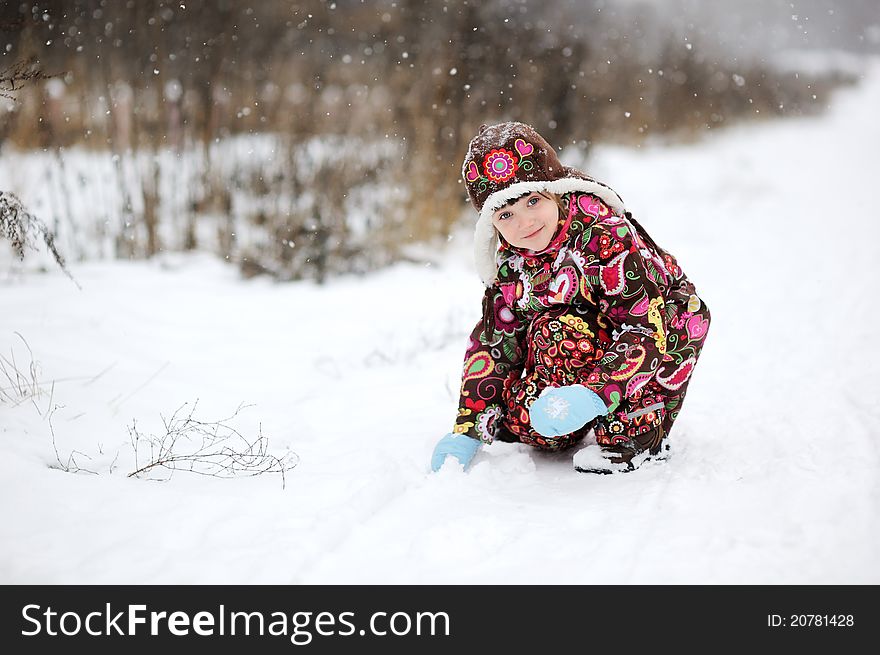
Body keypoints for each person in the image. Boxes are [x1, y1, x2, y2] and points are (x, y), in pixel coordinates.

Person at [430, 121, 711, 474]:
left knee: (669, 322)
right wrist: (470, 427)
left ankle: (636, 431)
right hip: (582, 334)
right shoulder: (512, 264)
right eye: (506, 214)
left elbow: (642, 324)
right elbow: (495, 343)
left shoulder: (604, 235)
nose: (525, 222)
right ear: (492, 224)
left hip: (657, 324)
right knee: (537, 407)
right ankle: (567, 419)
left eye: (533, 201)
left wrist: (596, 391)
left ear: (556, 192)